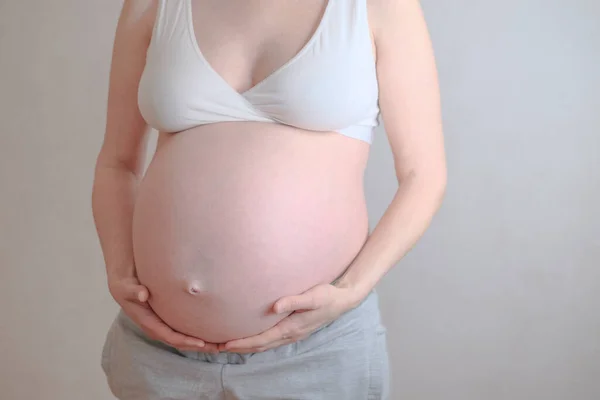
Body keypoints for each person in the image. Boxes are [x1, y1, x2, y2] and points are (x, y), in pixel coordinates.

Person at [92, 0, 446, 398]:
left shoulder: (380, 7)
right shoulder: (151, 5)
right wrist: (119, 270)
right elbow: (117, 163)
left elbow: (423, 176)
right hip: (159, 355)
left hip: (312, 351)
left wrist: (352, 289)